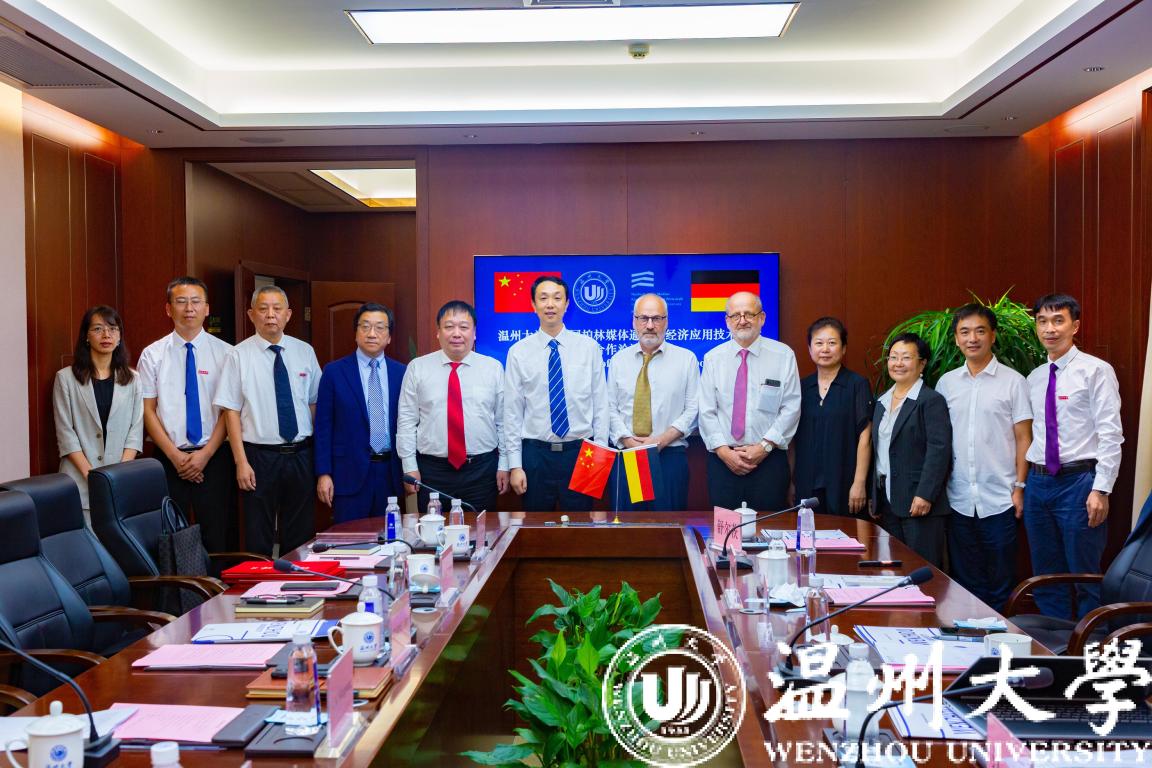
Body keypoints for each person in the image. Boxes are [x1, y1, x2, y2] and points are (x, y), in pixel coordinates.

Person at [1023, 293, 1122, 619]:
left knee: (1084, 575)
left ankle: (1089, 643)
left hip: (1078, 483)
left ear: (1075, 326)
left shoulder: (1095, 371)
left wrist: (1101, 488)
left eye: (1058, 321)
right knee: (1045, 575)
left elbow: (1110, 433)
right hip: (1038, 483)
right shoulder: (1035, 377)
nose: (1049, 329)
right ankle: (1054, 639)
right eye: (1042, 321)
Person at [935, 305, 1032, 611]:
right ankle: (971, 637)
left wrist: (1020, 487)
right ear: (956, 339)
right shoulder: (946, 383)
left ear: (993, 335)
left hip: (1001, 498)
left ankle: (1000, 637)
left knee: (1001, 582)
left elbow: (1024, 438)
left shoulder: (1014, 381)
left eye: (980, 331)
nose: (972, 338)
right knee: (966, 583)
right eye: (964, 332)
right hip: (959, 498)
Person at [214, 286, 321, 555]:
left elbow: (313, 402)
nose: (270, 315)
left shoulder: (304, 351)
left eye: (277, 309)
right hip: (259, 457)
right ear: (251, 315)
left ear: (288, 314)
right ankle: (258, 582)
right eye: (263, 309)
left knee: (300, 534)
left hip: (300, 454)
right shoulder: (238, 355)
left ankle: (296, 580)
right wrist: (241, 462)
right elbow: (230, 411)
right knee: (257, 535)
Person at [138, 277, 236, 552]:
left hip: (215, 457)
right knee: (171, 538)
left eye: (195, 302)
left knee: (218, 537)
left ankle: (216, 581)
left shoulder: (227, 354)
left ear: (207, 308)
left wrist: (205, 454)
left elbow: (229, 411)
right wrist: (175, 456)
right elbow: (148, 410)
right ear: (168, 309)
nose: (189, 308)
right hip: (169, 458)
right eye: (181, 302)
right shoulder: (152, 355)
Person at [504, 275, 608, 512]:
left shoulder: (589, 348)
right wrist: (515, 465)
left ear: (567, 304)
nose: (550, 304)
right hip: (535, 455)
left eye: (557, 298)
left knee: (581, 525)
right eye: (543, 298)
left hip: (582, 452)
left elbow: (601, 406)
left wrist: (599, 457)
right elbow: (512, 413)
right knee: (536, 527)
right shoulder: (518, 352)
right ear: (533, 305)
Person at [398, 300, 508, 515]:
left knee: (481, 529)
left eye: (464, 327)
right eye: (449, 326)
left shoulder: (492, 368)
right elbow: (407, 420)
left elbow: (503, 421)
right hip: (432, 471)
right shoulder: (418, 368)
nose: (456, 333)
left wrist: (504, 464)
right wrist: (409, 466)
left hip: (481, 470)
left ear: (474, 333)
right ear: (438, 332)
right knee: (433, 530)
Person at [698, 291, 800, 512]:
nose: (742, 320)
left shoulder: (783, 355)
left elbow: (791, 407)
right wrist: (724, 453)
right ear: (727, 321)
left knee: (770, 524)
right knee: (726, 527)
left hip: (769, 460)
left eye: (749, 314)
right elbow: (706, 411)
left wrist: (764, 447)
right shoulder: (713, 358)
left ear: (762, 318)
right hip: (723, 462)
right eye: (735, 315)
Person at [606, 294, 699, 511]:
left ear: (666, 321)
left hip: (669, 456)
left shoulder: (686, 360)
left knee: (669, 525)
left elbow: (693, 409)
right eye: (643, 318)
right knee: (630, 526)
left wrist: (661, 441)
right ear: (634, 321)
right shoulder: (619, 360)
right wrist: (629, 441)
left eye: (656, 318)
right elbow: (609, 408)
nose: (649, 325)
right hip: (630, 456)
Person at [315, 302, 405, 522]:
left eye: (379, 327)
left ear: (389, 337)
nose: (372, 333)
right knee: (351, 538)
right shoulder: (334, 372)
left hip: (390, 473)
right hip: (348, 473)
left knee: (390, 537)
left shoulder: (402, 373)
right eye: (365, 326)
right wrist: (323, 473)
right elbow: (323, 426)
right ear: (356, 333)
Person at [52, 305, 143, 516]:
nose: (106, 334)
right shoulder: (65, 379)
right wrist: (92, 477)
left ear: (119, 337)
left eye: (112, 329)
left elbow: (135, 433)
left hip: (120, 482)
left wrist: (118, 476)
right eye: (98, 329)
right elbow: (66, 435)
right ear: (86, 336)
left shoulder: (133, 379)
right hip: (78, 482)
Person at [870, 332, 952, 567]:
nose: (898, 363)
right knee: (893, 568)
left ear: (922, 363)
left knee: (922, 569)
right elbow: (879, 451)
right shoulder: (882, 401)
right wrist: (875, 495)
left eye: (906, 357)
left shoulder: (930, 400)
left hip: (919, 502)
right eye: (893, 357)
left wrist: (925, 494)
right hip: (888, 500)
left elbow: (939, 450)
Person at [792, 317, 873, 517]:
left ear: (843, 348)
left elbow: (866, 438)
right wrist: (791, 482)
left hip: (844, 481)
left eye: (832, 343)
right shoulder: (801, 387)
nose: (825, 349)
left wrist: (859, 482)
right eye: (819, 343)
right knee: (808, 532)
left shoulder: (857, 385)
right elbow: (792, 439)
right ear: (810, 349)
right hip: (807, 482)